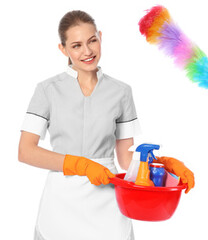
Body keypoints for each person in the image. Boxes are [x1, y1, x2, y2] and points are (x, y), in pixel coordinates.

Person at [18, 10, 140, 240]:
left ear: (100, 37)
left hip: (108, 198)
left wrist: (159, 167)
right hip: (61, 200)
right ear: (63, 49)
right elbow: (25, 151)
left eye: (92, 40)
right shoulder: (47, 90)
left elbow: (126, 159)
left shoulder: (122, 92)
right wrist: (80, 165)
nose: (87, 51)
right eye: (76, 45)